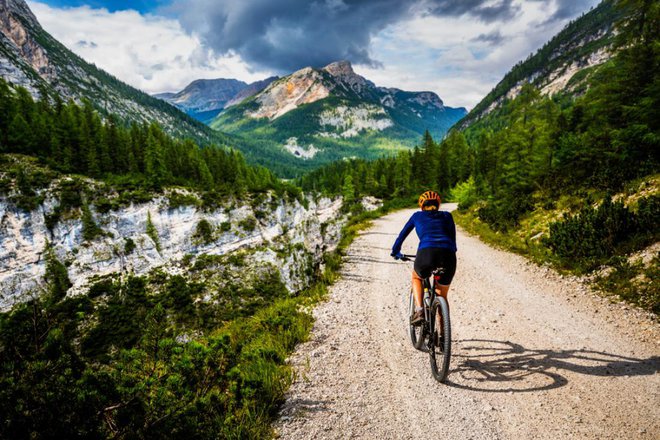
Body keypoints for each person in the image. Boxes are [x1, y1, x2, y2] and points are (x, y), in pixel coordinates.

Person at [391, 191, 457, 325]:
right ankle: (443, 334)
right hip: (448, 255)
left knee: (416, 277)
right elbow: (453, 241)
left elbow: (402, 236)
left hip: (426, 253)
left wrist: (395, 251)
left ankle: (420, 311)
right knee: (441, 294)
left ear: (422, 206)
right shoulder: (448, 216)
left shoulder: (417, 216)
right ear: (438, 205)